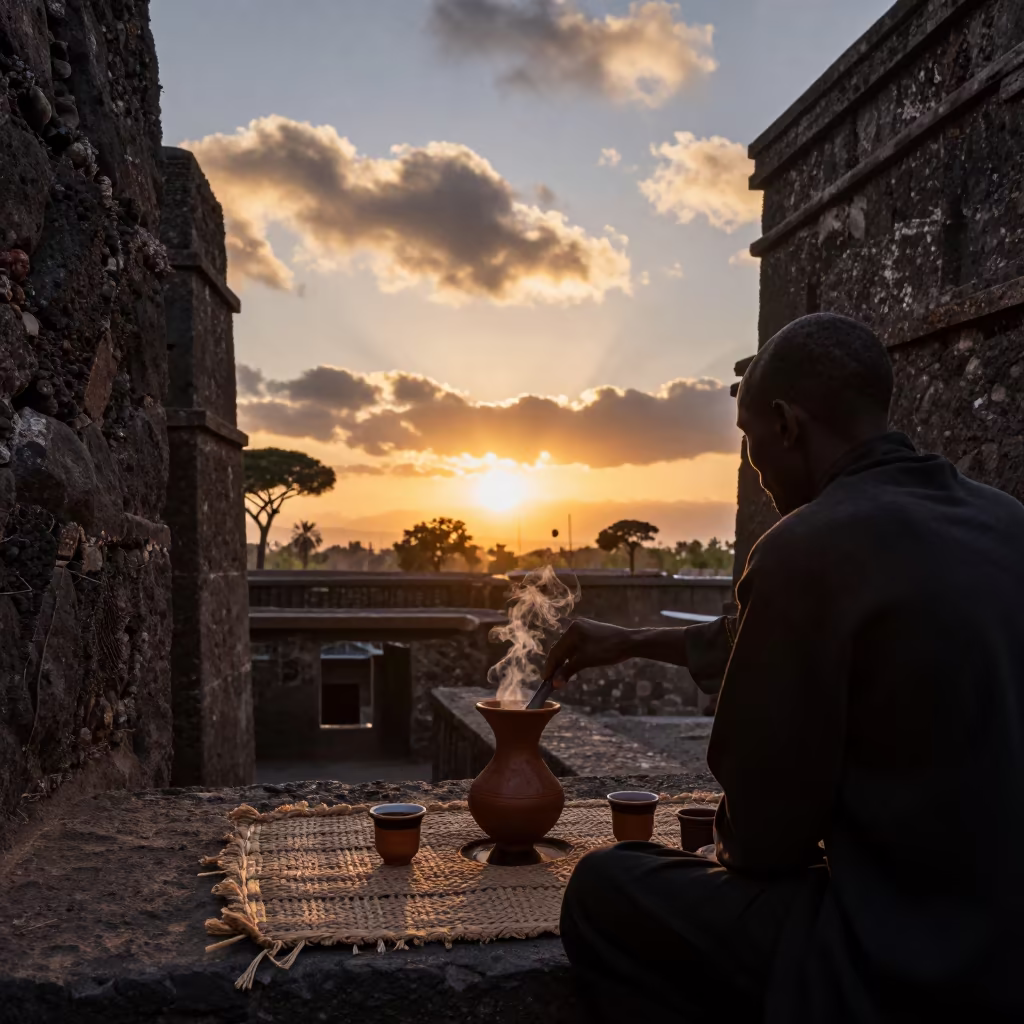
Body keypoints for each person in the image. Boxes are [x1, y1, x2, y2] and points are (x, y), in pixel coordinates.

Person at [548, 313, 1024, 1023]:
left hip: (902, 953)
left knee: (606, 885)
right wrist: (628, 641)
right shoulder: (1006, 522)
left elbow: (765, 843)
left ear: (785, 423)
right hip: (1008, 938)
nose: (754, 465)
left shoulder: (803, 548)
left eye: (747, 440)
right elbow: (766, 636)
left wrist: (739, 834)